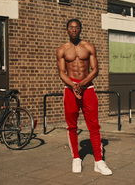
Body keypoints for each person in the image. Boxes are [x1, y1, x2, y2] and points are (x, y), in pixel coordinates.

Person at [56, 19, 112, 176]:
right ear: (67, 30)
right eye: (71, 27)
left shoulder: (89, 47)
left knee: (94, 126)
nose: (74, 30)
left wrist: (81, 85)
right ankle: (76, 158)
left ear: (80, 29)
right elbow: (62, 72)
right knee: (72, 126)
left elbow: (95, 70)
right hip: (70, 90)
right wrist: (74, 86)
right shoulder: (62, 49)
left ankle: (99, 161)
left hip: (87, 89)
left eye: (76, 27)